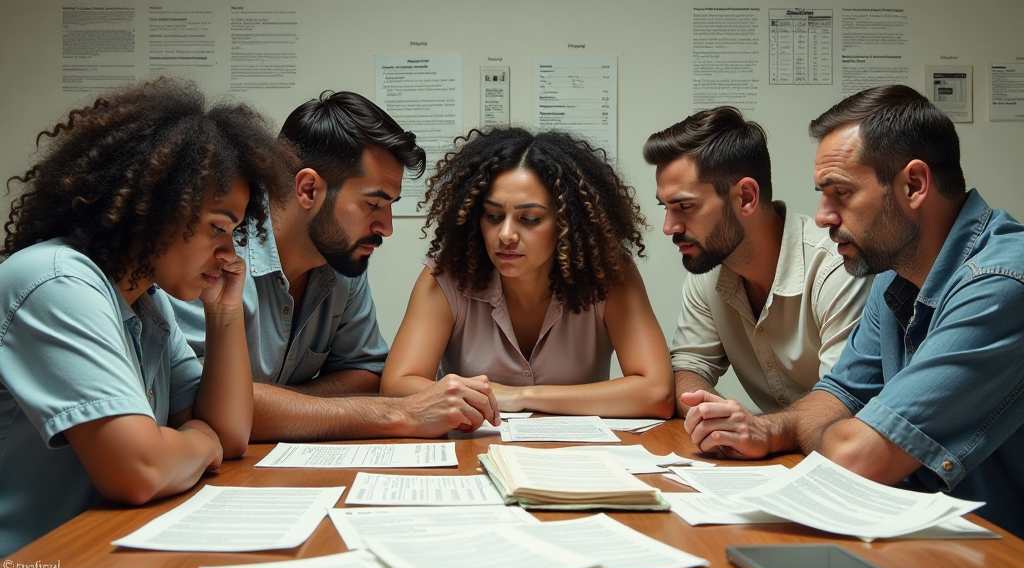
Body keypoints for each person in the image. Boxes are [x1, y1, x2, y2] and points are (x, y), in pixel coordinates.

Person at [682, 85, 1024, 538]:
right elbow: (838, 395)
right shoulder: (894, 275)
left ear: (914, 185)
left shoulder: (1001, 284)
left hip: (1001, 547)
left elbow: (856, 456)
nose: (822, 216)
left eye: (840, 193)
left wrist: (837, 431)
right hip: (929, 535)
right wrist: (768, 432)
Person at [0, 78, 292, 555]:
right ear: (157, 208)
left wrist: (223, 312)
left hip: (102, 553)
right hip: (30, 562)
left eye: (235, 232)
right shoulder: (56, 281)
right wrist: (198, 440)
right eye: (217, 227)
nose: (227, 253)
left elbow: (232, 433)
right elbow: (139, 471)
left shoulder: (145, 302)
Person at [169, 91, 499, 441]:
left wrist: (280, 407)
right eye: (373, 204)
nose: (386, 227)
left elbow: (366, 372)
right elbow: (202, 404)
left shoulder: (342, 262)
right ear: (309, 189)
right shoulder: (213, 255)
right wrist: (398, 413)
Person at [381, 128, 675, 418]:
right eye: (493, 216)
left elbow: (657, 393)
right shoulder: (446, 275)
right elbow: (397, 385)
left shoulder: (609, 275)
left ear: (566, 223)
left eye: (530, 219)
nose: (506, 234)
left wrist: (519, 396)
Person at [643, 107, 871, 416]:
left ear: (746, 197)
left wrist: (758, 431)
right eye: (666, 207)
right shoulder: (708, 267)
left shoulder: (837, 267)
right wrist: (716, 416)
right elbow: (688, 367)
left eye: (685, 206)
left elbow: (844, 404)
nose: (670, 227)